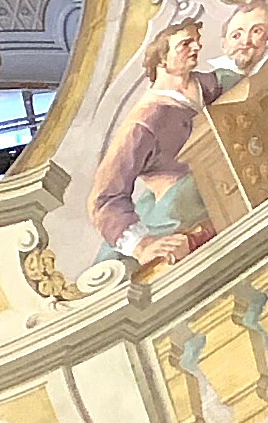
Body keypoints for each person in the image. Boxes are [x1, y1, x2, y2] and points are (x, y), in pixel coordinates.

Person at [82, 18, 222, 278]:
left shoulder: (207, 85)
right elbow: (104, 197)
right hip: (179, 216)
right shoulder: (144, 121)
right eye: (185, 44)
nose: (196, 48)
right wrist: (142, 245)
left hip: (220, 198)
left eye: (196, 41)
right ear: (161, 58)